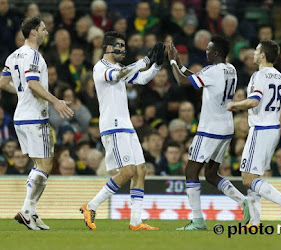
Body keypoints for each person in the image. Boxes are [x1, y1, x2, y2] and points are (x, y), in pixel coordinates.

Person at [80, 31, 165, 231]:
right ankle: (90, 206)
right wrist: (145, 60)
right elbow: (116, 76)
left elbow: (142, 79)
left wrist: (157, 65)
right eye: (119, 46)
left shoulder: (120, 67)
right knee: (127, 171)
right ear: (107, 48)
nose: (123, 49)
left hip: (126, 125)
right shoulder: (101, 67)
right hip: (113, 126)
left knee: (140, 170)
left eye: (124, 46)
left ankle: (135, 221)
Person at [168, 35, 249, 230]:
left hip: (209, 130)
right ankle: (243, 201)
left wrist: (171, 60)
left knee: (191, 171)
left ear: (216, 53)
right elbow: (196, 77)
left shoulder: (212, 71)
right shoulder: (231, 69)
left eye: (209, 49)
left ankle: (197, 221)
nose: (206, 52)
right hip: (225, 128)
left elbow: (182, 81)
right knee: (211, 174)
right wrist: (180, 64)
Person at [0, 16, 73, 230]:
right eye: (43, 29)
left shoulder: (13, 55)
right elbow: (32, 84)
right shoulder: (34, 56)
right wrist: (56, 101)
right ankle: (26, 210)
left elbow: (3, 83)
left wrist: (21, 94)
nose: (46, 32)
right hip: (34, 117)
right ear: (33, 32)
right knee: (46, 165)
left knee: (39, 165)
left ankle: (31, 211)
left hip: (20, 117)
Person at [227, 40, 281, 228]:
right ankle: (255, 221)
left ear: (263, 56)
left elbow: (253, 102)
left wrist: (234, 105)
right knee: (254, 176)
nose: (253, 53)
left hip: (260, 130)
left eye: (256, 50)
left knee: (247, 178)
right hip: (274, 130)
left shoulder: (259, 76)